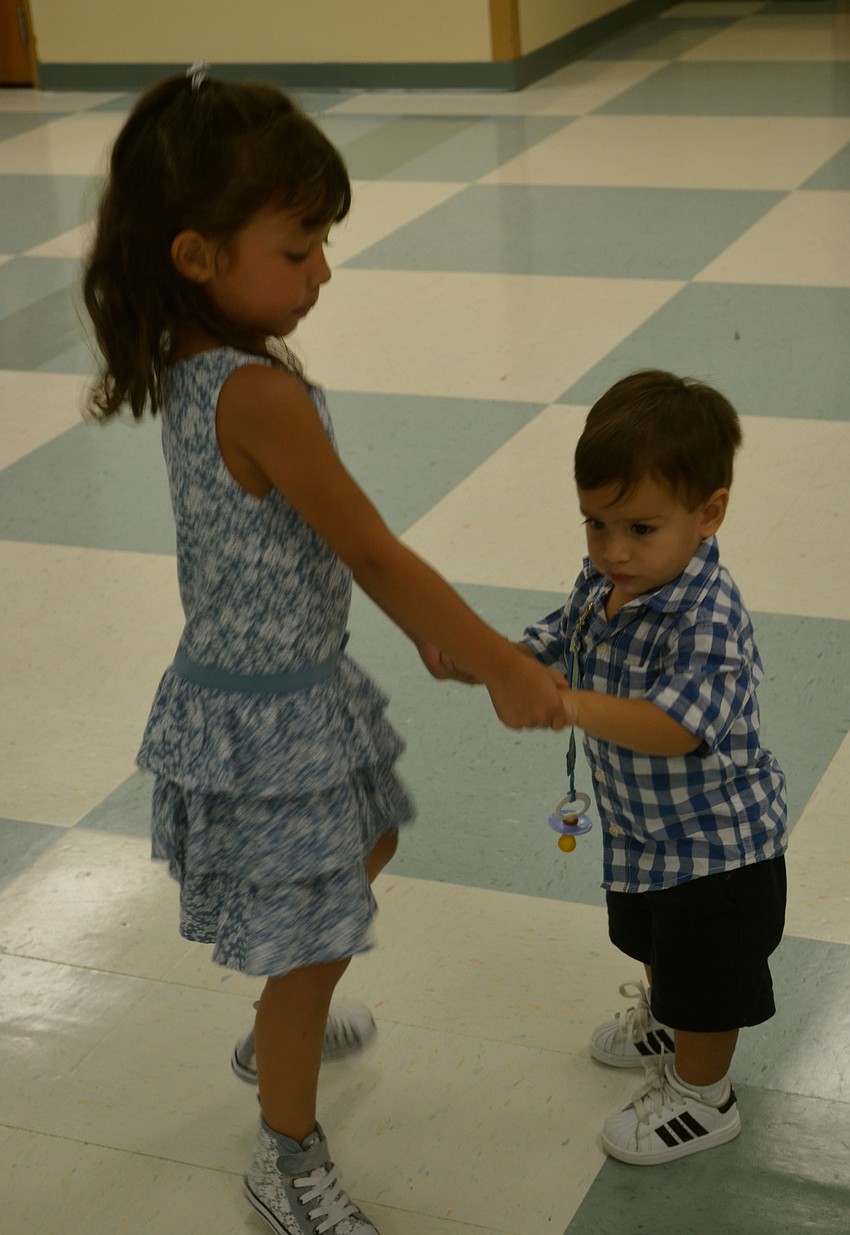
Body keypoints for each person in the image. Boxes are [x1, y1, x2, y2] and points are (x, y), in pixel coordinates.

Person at [83, 65, 567, 1235]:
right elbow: (376, 554)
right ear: (198, 256)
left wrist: (427, 640)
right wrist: (497, 657)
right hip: (265, 705)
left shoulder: (206, 359)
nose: (322, 272)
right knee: (310, 941)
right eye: (297, 250)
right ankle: (283, 1148)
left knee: (370, 839)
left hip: (291, 680)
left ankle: (277, 1029)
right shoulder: (254, 393)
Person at [520, 371, 788, 1164]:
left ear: (709, 513)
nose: (611, 551)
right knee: (650, 935)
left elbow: (673, 728)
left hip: (717, 850)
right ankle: (666, 1018)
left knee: (709, 976)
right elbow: (565, 629)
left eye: (638, 527)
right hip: (646, 831)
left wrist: (566, 705)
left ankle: (704, 1095)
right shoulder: (612, 578)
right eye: (595, 525)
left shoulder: (708, 617)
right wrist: (507, 659)